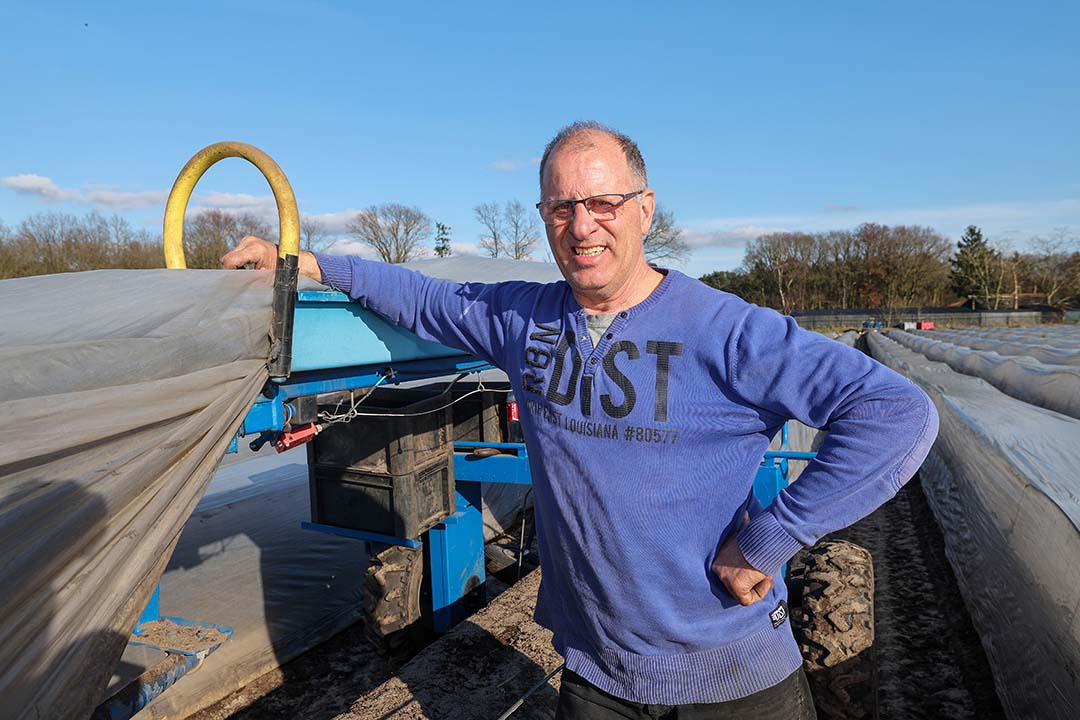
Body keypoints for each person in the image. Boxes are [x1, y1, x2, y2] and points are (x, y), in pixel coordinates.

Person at [223, 121, 938, 719]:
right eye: (560, 208)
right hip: (598, 677)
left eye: (603, 202)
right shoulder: (525, 320)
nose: (582, 225)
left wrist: (769, 538)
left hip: (734, 679)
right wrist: (306, 262)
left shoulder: (726, 330)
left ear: (645, 209)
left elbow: (896, 414)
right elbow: (424, 298)